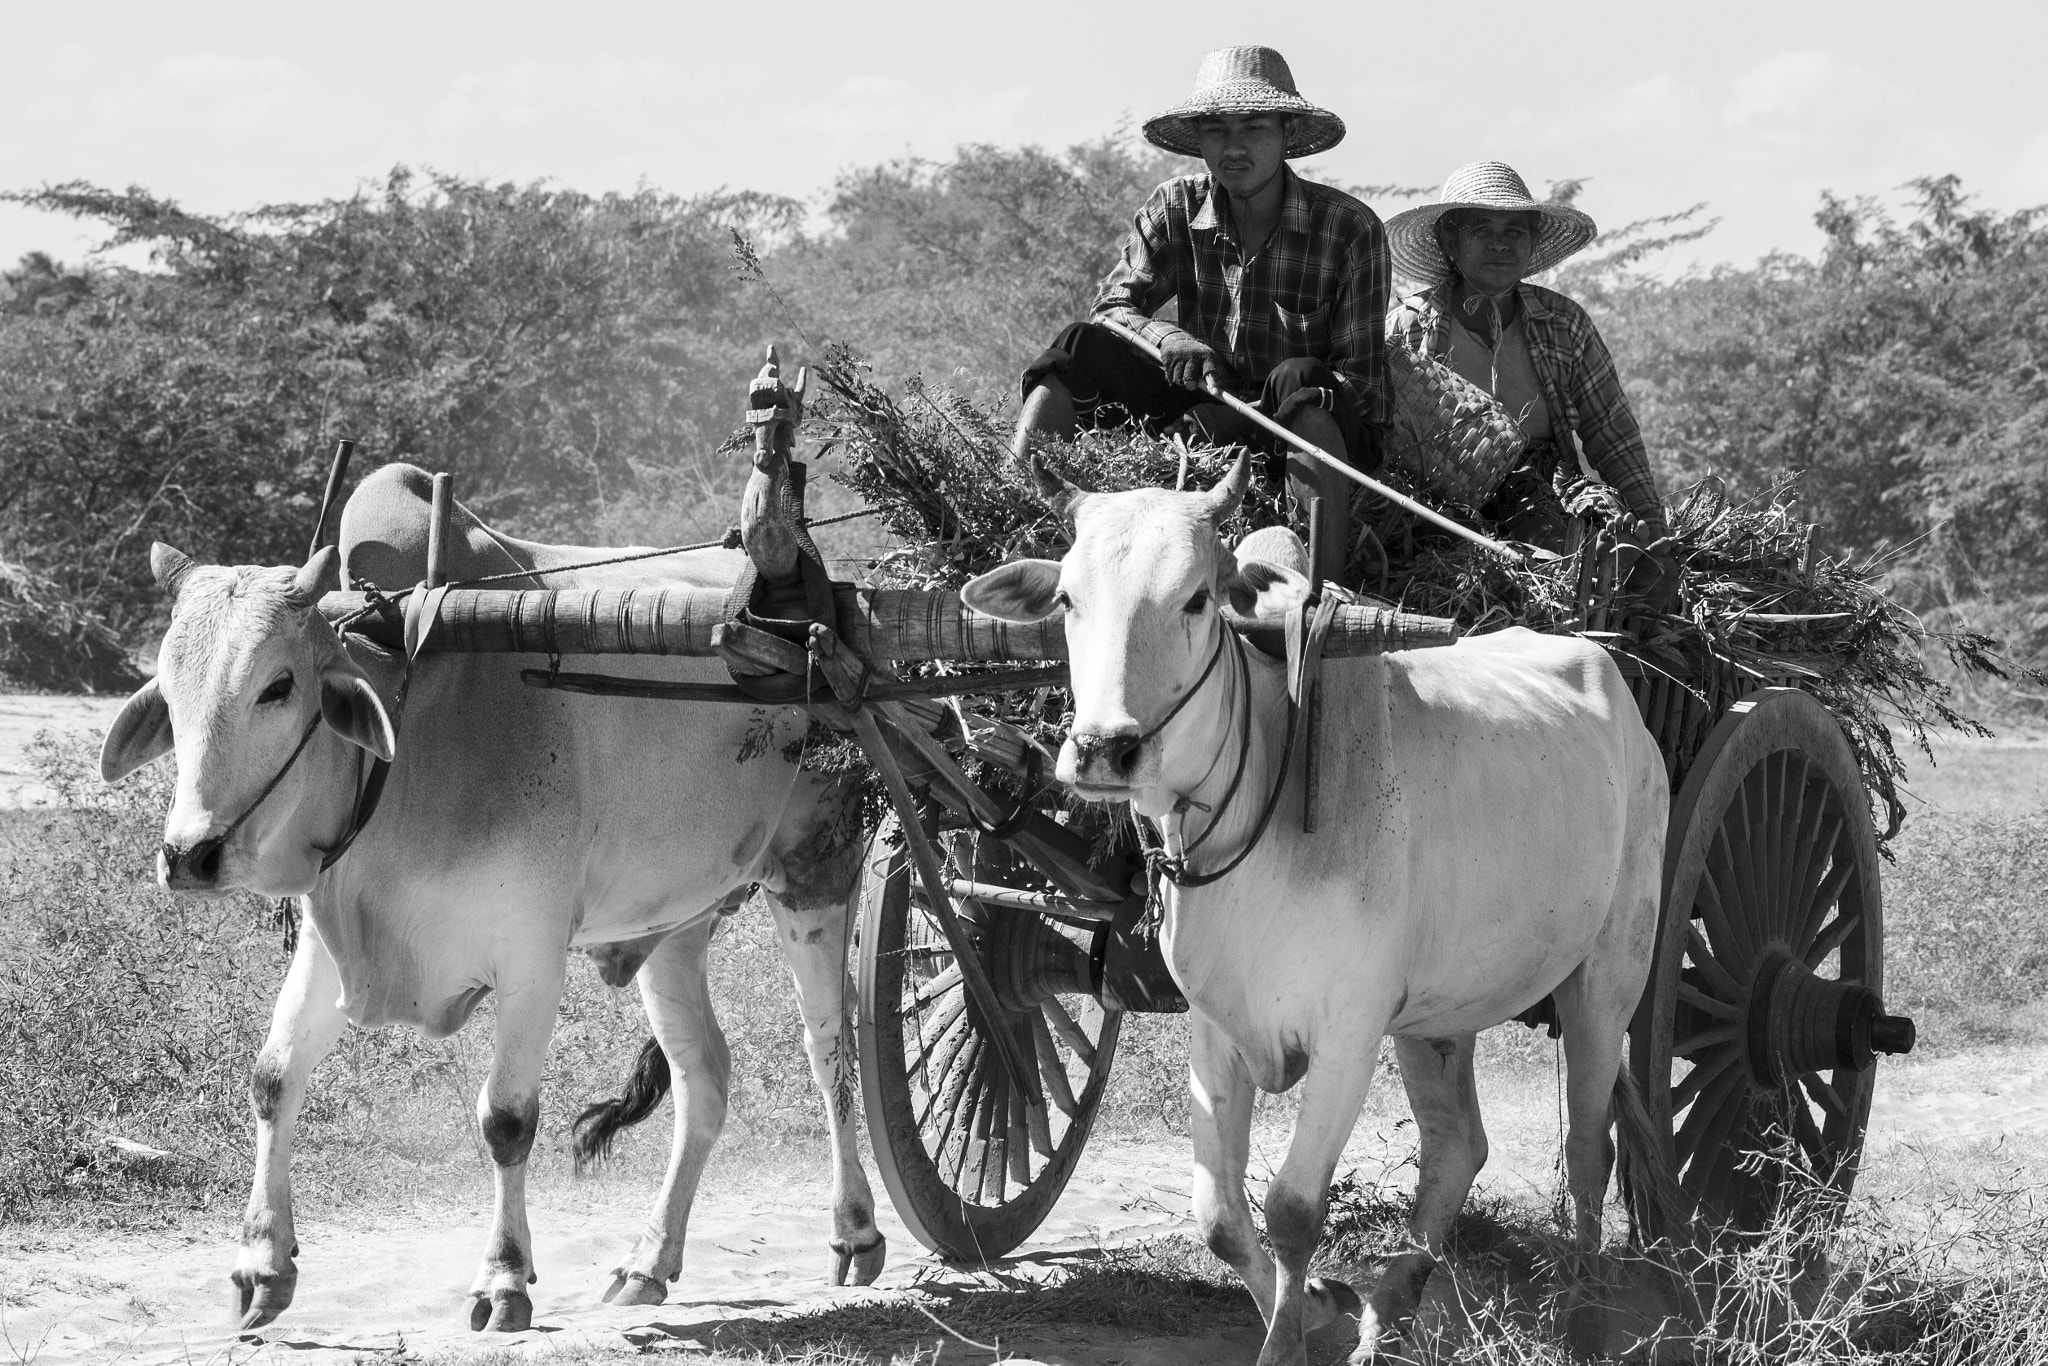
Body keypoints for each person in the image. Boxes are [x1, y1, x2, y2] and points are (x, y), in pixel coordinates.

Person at [1011, 45, 1390, 584]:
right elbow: (1113, 306)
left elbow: (1365, 388)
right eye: (1216, 130)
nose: (1233, 148)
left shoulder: (1349, 228)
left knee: (1301, 376)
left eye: (1254, 127)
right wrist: (1168, 339)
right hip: (1202, 399)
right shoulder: (1175, 207)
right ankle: (1008, 517)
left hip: (1309, 426)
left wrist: (1236, 416)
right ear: (1199, 140)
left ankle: (1316, 593)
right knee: (1077, 346)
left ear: (1286, 133)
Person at [1384, 162, 1674, 587]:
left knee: (1606, 540)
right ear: (1451, 239)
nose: (1499, 245)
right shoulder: (1408, 327)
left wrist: (1653, 527)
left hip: (1548, 484)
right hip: (1443, 500)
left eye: (1514, 231)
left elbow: (1611, 432)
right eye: (1481, 230)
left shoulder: (1562, 323)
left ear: (1533, 241)